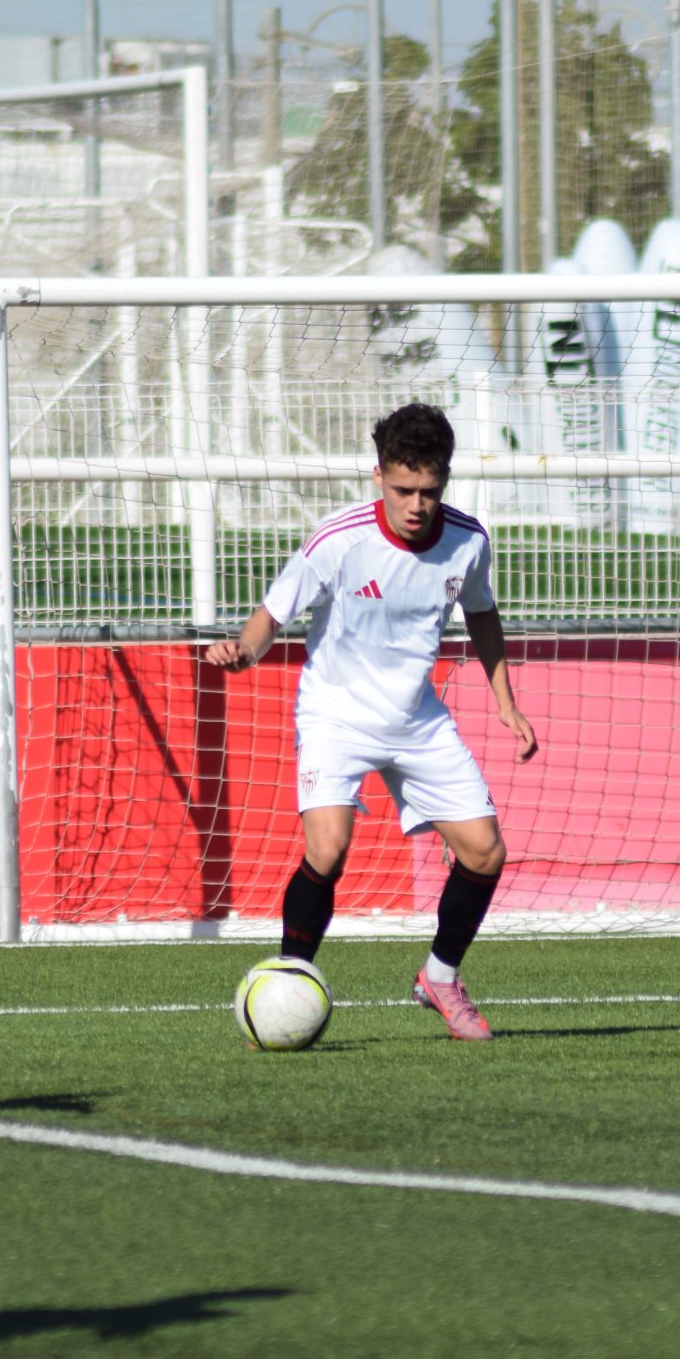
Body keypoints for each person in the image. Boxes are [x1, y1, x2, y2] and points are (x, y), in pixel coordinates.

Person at [203, 402, 538, 1040]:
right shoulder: (340, 539)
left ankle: (439, 977)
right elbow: (272, 614)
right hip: (335, 712)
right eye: (403, 489)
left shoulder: (468, 540)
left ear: (445, 481)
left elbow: (482, 614)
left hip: (416, 717)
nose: (417, 504)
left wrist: (505, 700)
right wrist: (244, 651)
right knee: (327, 849)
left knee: (486, 851)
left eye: (430, 491)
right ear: (378, 475)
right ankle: (289, 982)